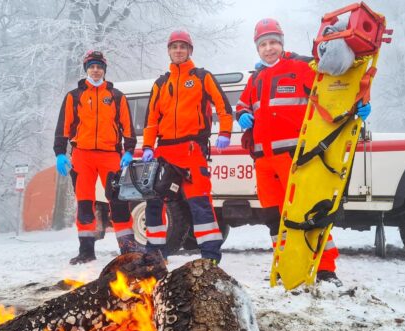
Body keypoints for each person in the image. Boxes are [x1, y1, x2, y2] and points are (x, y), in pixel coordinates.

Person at [236, 18, 371, 284]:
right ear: (257, 48)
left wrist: (360, 103)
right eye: (263, 44)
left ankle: (325, 270)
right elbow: (242, 105)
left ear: (282, 43)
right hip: (263, 163)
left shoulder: (299, 66)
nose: (269, 48)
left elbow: (335, 87)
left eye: (274, 42)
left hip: (295, 159)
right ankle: (287, 265)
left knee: (309, 213)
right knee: (273, 219)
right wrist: (241, 114)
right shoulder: (256, 78)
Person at [141, 30, 233, 264]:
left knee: (199, 202)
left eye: (183, 46)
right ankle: (155, 253)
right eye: (174, 47)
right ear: (169, 51)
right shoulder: (161, 83)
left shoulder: (203, 77)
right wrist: (148, 147)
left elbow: (224, 107)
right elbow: (151, 120)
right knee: (153, 201)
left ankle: (210, 255)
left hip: (192, 151)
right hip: (165, 153)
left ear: (190, 50)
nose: (179, 50)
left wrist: (225, 132)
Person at [54, 50, 138, 265]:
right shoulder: (74, 96)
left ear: (104, 70)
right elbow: (63, 126)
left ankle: (128, 250)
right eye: (91, 66)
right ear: (86, 69)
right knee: (84, 203)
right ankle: (86, 251)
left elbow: (127, 126)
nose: (96, 70)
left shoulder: (116, 96)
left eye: (99, 66)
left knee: (118, 202)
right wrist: (60, 153)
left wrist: (129, 150)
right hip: (82, 156)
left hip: (110, 155)